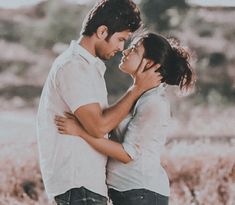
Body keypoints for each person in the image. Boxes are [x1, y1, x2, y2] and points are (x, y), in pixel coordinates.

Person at [36, 0, 162, 204]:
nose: (122, 48)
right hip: (78, 185)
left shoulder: (89, 68)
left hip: (85, 185)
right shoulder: (74, 66)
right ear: (102, 32)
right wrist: (137, 88)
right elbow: (98, 126)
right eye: (120, 39)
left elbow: (102, 121)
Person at [54, 32, 195, 205]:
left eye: (134, 49)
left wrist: (80, 131)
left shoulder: (154, 103)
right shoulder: (139, 96)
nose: (125, 52)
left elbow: (128, 154)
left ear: (148, 63)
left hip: (142, 193)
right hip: (128, 193)